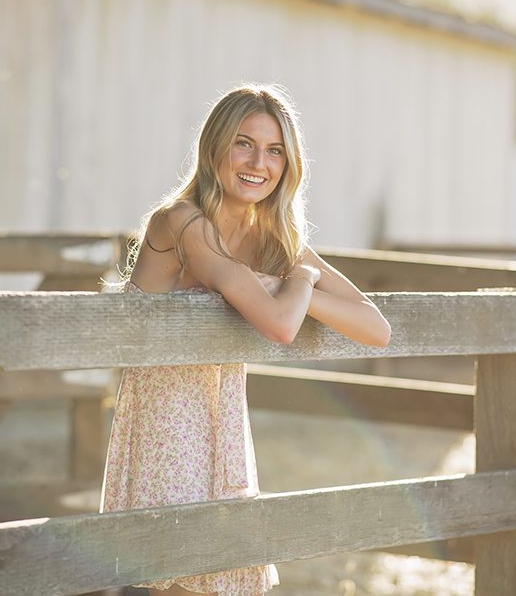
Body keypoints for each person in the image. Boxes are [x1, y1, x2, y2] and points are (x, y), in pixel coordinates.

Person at [99, 84, 391, 596]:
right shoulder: (181, 221)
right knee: (176, 579)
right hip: (165, 423)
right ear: (214, 148)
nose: (260, 161)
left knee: (221, 578)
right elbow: (280, 325)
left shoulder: (268, 237)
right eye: (244, 143)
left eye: (275, 149)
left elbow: (375, 328)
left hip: (222, 419)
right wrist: (298, 281)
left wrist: (293, 284)